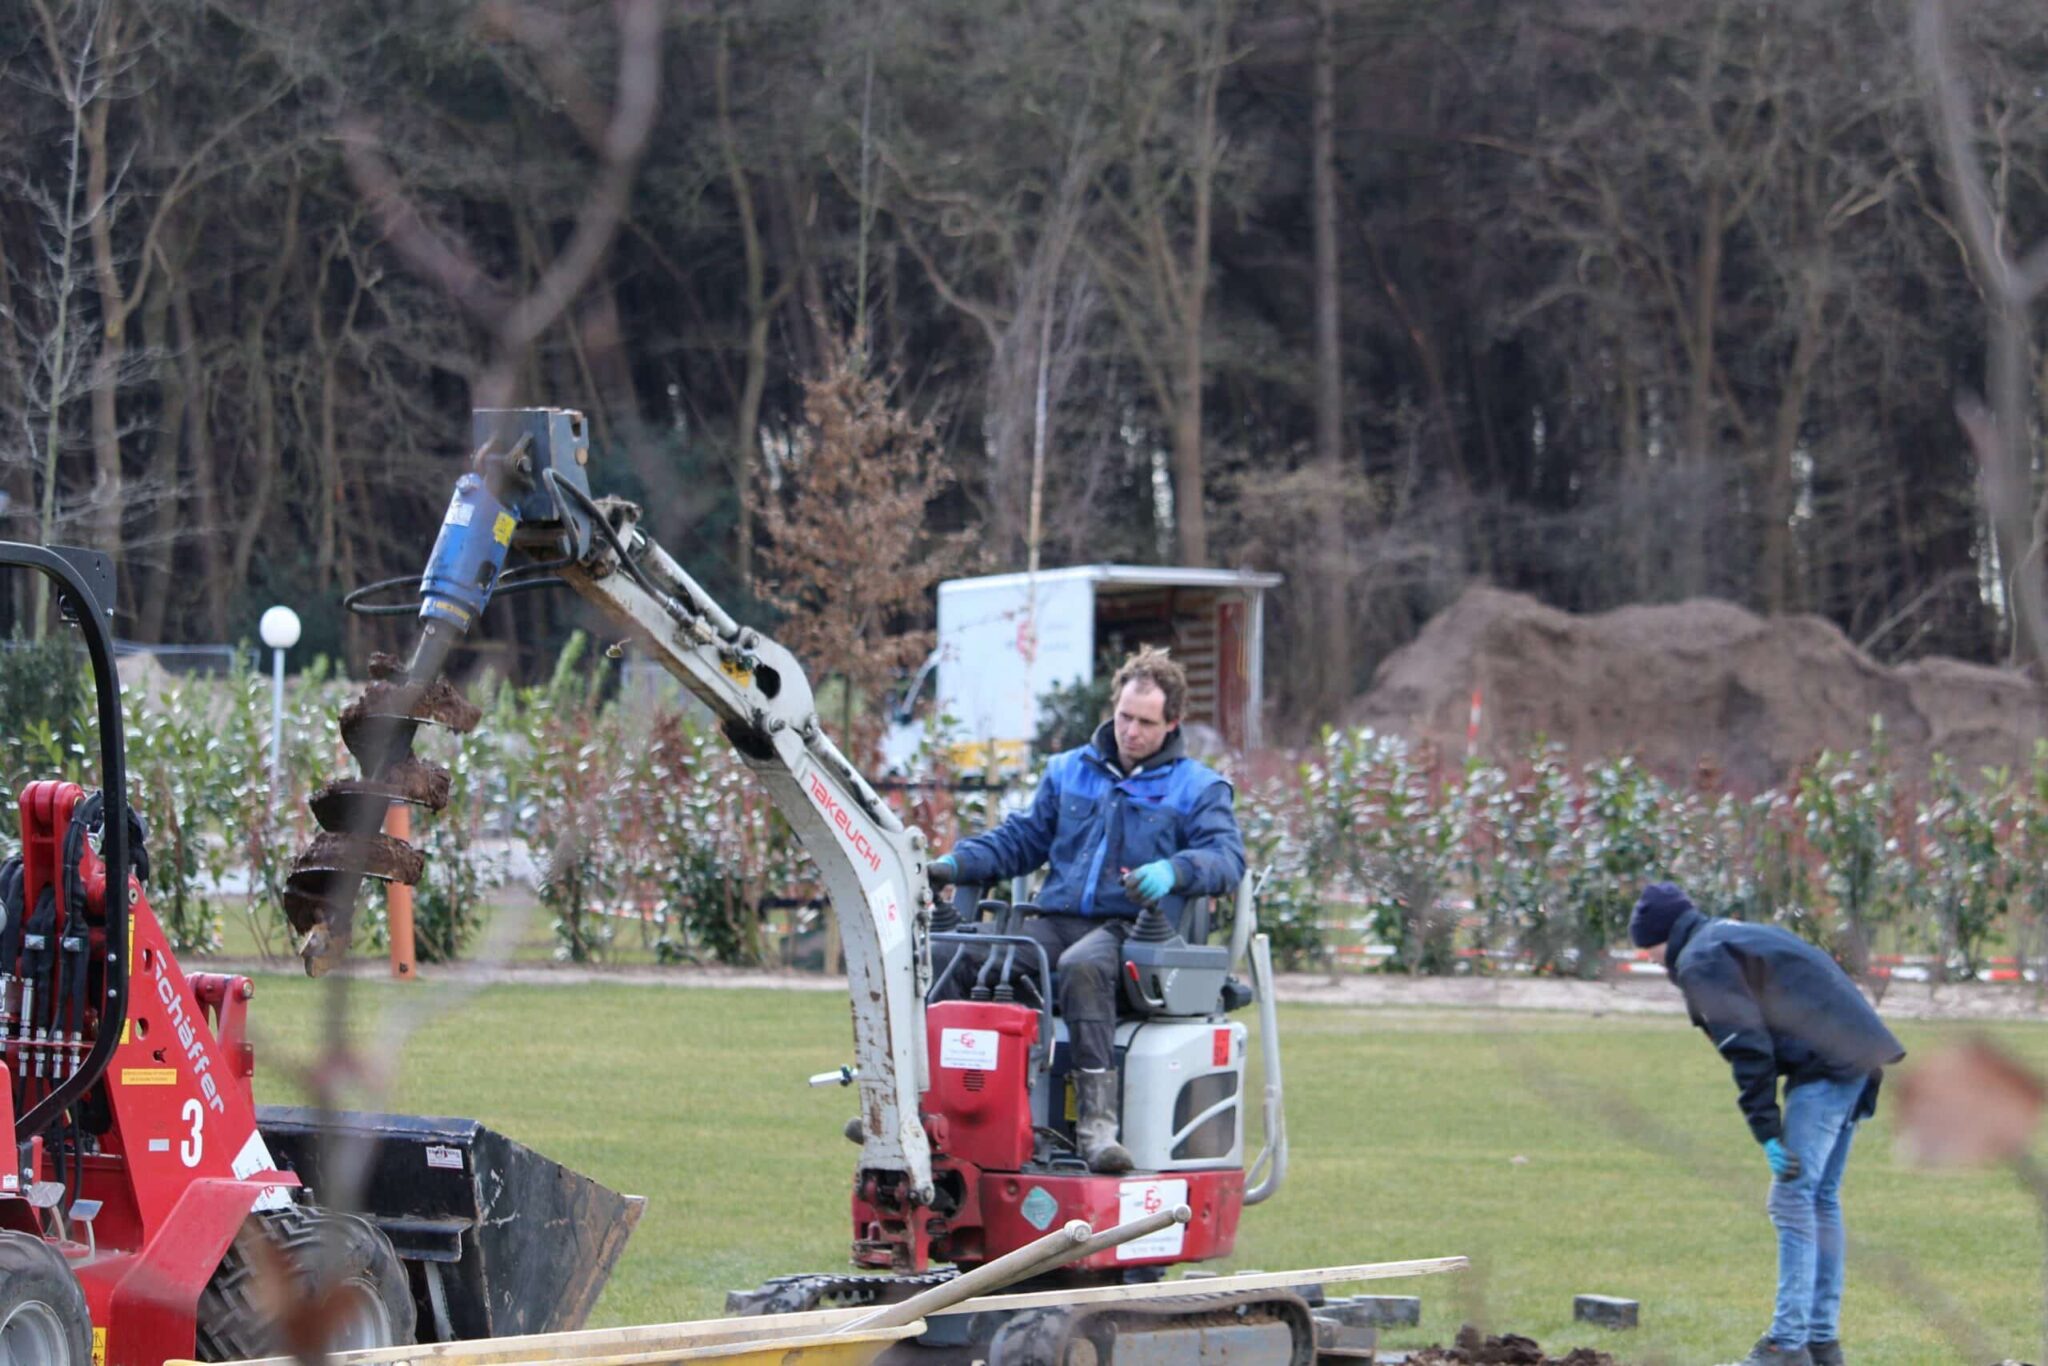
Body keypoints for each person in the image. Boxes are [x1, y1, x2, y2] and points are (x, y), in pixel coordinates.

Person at [927, 647, 1245, 1174]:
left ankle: (1098, 1129)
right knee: (953, 955)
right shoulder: (1068, 771)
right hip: (1057, 923)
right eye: (1124, 717)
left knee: (1083, 965)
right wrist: (956, 863)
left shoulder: (1198, 788)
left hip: (1140, 934)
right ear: (1113, 708)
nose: (1131, 731)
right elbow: (1023, 840)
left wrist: (1175, 871)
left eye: (1145, 722)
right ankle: (935, 1108)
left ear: (1172, 723)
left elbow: (1226, 859)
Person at [1629, 883, 1906, 1366]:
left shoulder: (1701, 960)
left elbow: (1748, 1046)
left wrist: (1766, 1130)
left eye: (1647, 947)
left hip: (1829, 1066)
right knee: (1817, 1199)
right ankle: (1821, 1344)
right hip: (1855, 1055)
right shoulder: (1726, 937)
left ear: (1663, 936)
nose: (1648, 957)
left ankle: (1786, 1345)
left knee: (1792, 1199)